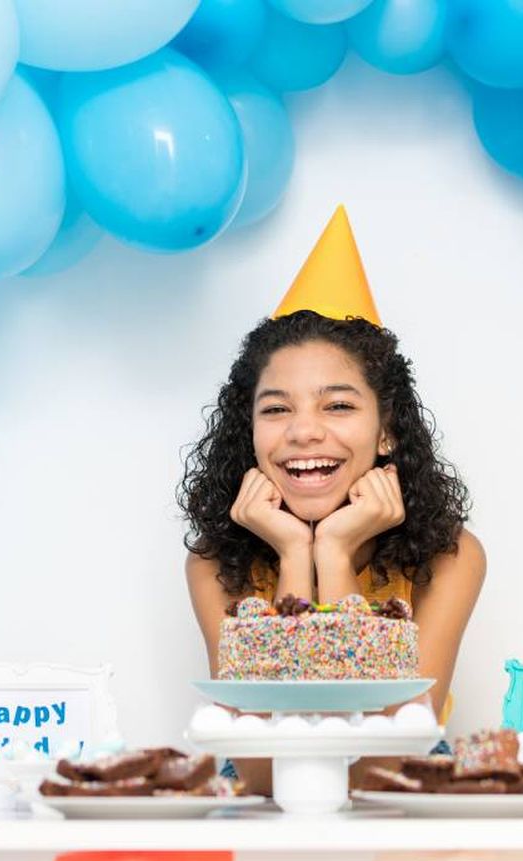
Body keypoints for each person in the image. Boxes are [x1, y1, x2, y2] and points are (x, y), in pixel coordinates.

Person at [178, 206, 486, 793]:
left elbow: (383, 764)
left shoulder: (450, 558)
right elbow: (266, 772)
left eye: (338, 405)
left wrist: (336, 555)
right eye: (275, 409)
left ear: (386, 429)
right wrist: (296, 554)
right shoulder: (215, 566)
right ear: (249, 433)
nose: (303, 432)